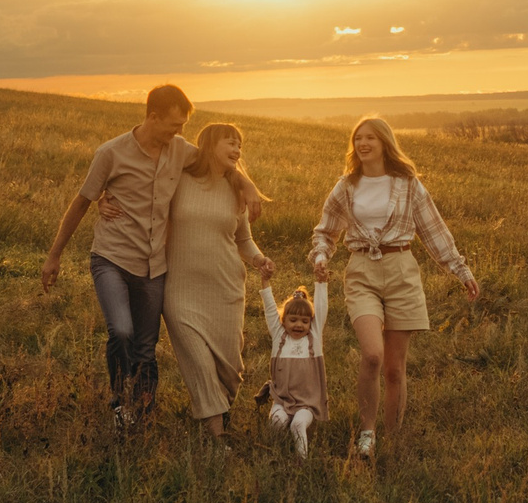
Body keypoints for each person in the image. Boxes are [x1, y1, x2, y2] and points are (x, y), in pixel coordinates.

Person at [41, 85, 257, 432]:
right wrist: (54, 256)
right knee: (123, 331)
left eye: (184, 126)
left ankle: (141, 412)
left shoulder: (179, 150)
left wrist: (247, 186)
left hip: (155, 265)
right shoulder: (111, 153)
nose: (180, 133)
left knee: (146, 345)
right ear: (152, 117)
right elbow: (82, 201)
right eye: (174, 125)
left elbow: (214, 162)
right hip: (112, 256)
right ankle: (118, 403)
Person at [309, 117, 478, 459]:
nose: (363, 143)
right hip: (361, 271)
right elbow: (325, 231)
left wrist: (459, 269)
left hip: (402, 270)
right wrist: (322, 256)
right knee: (372, 355)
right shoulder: (346, 185)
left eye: (370, 137)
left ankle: (394, 435)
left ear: (385, 142)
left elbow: (433, 230)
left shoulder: (407, 184)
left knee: (394, 368)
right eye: (358, 138)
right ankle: (367, 434)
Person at [161, 122, 273, 438]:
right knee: (197, 361)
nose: (237, 150)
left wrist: (259, 259)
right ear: (210, 144)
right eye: (230, 142)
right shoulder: (179, 180)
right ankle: (215, 434)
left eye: (240, 144)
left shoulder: (236, 190)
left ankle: (219, 411)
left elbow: (243, 240)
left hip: (226, 287)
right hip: (181, 289)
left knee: (230, 368)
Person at [255, 270, 329, 457]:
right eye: (293, 320)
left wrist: (321, 282)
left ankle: (302, 461)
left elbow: (320, 307)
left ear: (311, 323)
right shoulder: (279, 336)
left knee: (298, 424)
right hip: (282, 398)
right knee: (277, 422)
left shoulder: (314, 337)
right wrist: (265, 282)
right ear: (283, 321)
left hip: (308, 402)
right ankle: (273, 455)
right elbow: (270, 309)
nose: (299, 325)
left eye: (305, 321)